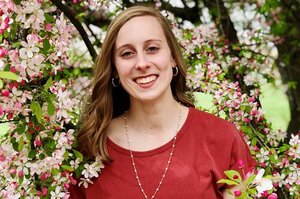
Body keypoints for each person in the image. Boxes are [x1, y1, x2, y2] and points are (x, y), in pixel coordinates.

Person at [70, 5, 256, 199]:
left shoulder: (222, 138)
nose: (141, 63)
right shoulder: (90, 150)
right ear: (115, 68)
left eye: (152, 49)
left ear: (173, 57)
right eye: (127, 53)